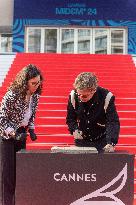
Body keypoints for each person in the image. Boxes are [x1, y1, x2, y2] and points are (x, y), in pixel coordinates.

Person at [0, 64, 43, 205]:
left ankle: (17, 201)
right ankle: (6, 203)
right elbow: (2, 118)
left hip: (22, 134)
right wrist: (12, 133)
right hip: (7, 136)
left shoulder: (35, 95)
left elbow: (32, 115)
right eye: (33, 83)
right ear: (25, 82)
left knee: (19, 171)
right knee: (8, 173)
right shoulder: (12, 95)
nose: (36, 85)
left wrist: (31, 129)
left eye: (38, 82)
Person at [66, 72, 120, 153]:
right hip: (81, 139)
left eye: (84, 96)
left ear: (93, 90)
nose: (80, 98)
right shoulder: (73, 95)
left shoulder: (106, 97)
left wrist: (111, 142)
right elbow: (70, 118)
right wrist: (74, 129)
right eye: (78, 94)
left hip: (102, 140)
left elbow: (112, 122)